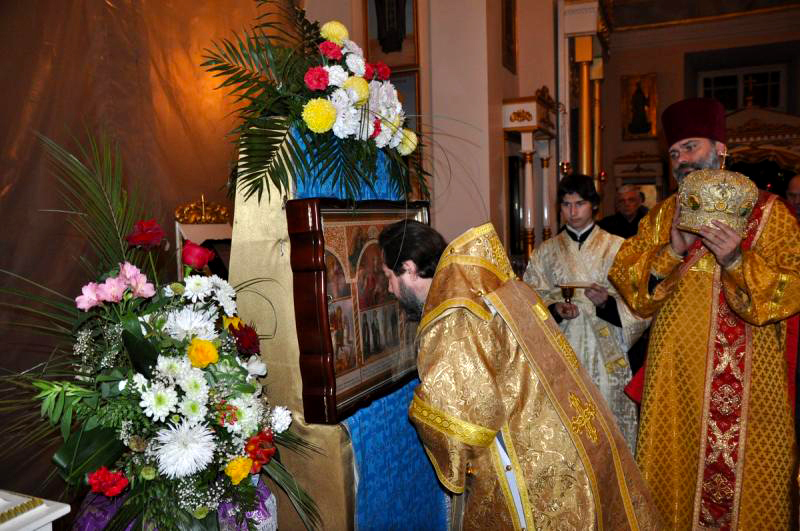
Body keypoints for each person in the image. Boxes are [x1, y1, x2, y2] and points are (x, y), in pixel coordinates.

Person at [379, 220, 660, 530]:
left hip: (527, 462)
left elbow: (465, 427)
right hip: (569, 440)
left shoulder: (452, 316)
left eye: (389, 277)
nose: (389, 288)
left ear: (408, 268)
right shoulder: (493, 283)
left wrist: (419, 409)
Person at [608, 97, 800, 529]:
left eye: (690, 147)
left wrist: (736, 260)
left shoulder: (769, 213)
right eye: (674, 153)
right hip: (675, 380)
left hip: (752, 384)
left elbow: (792, 286)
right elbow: (630, 284)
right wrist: (672, 249)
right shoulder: (660, 217)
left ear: (720, 149)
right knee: (672, 481)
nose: (681, 160)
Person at [524, 174, 648, 451]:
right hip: (561, 350)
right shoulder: (545, 252)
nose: (572, 211)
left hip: (607, 354)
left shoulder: (618, 248)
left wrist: (605, 302)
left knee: (607, 432)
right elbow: (530, 300)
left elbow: (640, 303)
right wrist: (555, 309)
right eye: (566, 205)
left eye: (579, 203)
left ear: (593, 205)